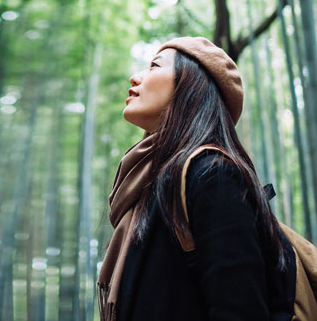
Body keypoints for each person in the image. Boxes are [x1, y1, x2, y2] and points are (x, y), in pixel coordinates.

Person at [96, 36, 296, 321]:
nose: (136, 77)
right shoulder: (147, 190)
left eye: (154, 66)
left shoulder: (212, 176)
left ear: (189, 85)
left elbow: (240, 311)